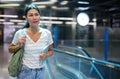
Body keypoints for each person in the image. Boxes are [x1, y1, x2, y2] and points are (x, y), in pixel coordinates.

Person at [8, 4, 54, 79]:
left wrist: (46, 55)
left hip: (41, 71)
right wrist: (19, 45)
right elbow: (10, 49)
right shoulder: (20, 33)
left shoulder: (47, 33)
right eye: (31, 15)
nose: (34, 18)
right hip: (25, 71)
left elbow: (51, 50)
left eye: (36, 14)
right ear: (26, 18)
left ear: (39, 16)